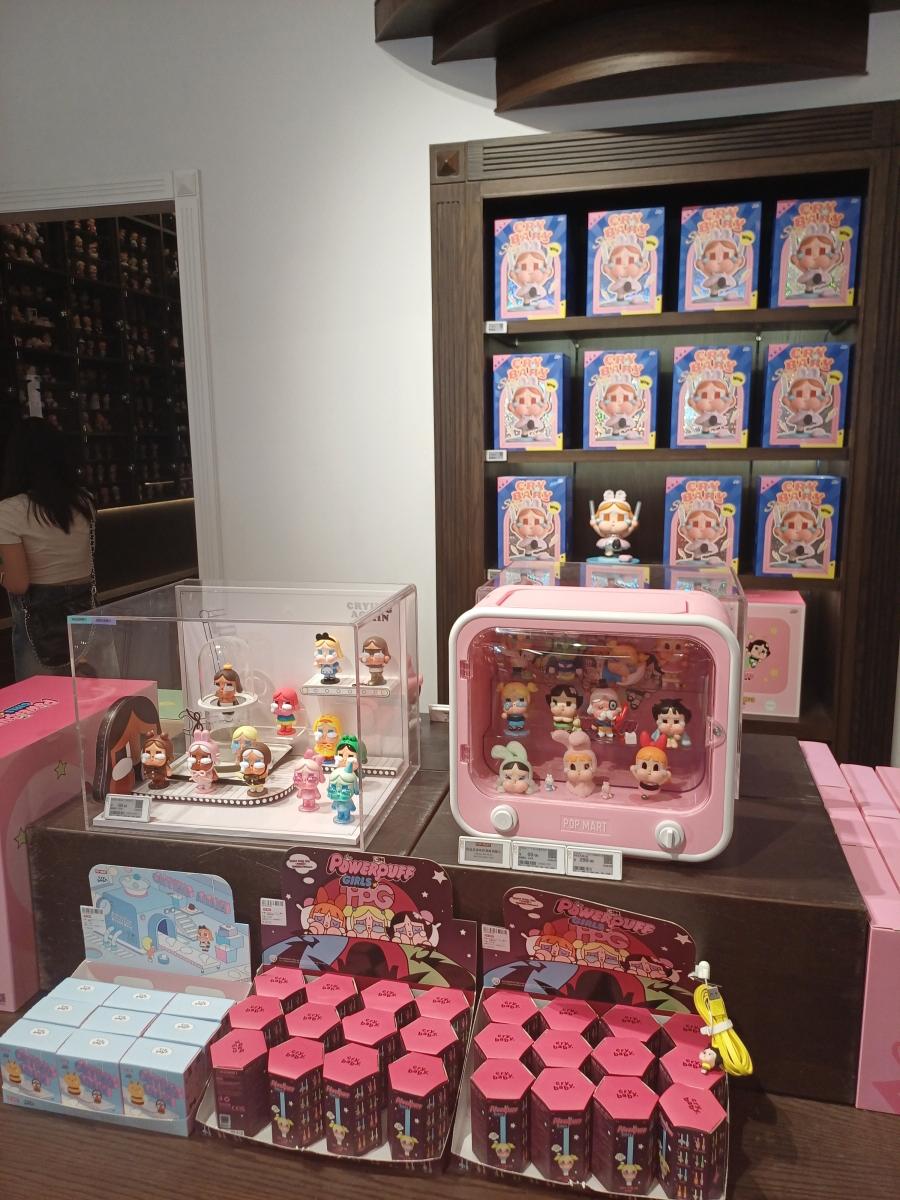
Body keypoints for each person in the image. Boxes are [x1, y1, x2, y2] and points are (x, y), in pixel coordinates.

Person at [0, 418, 95, 679]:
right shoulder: (83, 502)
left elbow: (18, 583)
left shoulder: (9, 510)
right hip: (85, 616)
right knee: (89, 697)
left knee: (42, 700)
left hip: (39, 624)